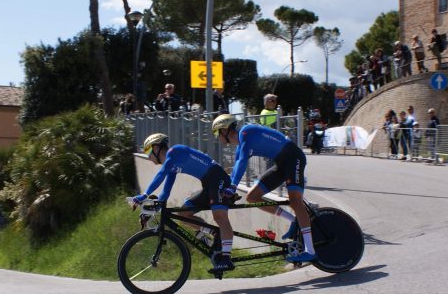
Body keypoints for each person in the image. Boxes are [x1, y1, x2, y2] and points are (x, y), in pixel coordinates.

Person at [211, 114, 316, 264]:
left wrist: (233, 187)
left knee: (295, 201)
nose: (217, 138)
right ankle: (293, 220)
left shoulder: (245, 133)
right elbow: (236, 168)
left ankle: (310, 251)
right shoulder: (241, 144)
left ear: (224, 130)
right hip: (281, 163)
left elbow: (242, 162)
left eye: (216, 133)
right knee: (252, 197)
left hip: (293, 157)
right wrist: (228, 188)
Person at [132, 133, 236, 272]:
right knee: (184, 214)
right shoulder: (172, 165)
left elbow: (161, 174)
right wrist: (153, 210)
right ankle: (214, 233)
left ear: (156, 148)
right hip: (208, 184)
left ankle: (226, 259)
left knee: (220, 217)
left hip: (218, 179)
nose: (147, 156)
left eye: (147, 151)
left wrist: (145, 194)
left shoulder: (174, 152)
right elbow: (165, 192)